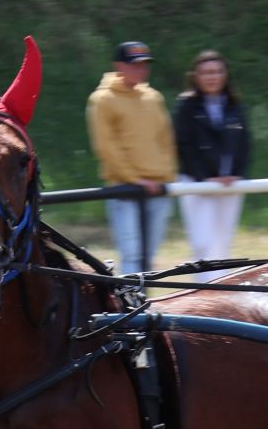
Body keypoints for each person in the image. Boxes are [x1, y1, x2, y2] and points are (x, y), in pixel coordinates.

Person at [87, 41, 176, 275]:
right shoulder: (102, 100)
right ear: (119, 66)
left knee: (150, 255)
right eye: (135, 65)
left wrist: (167, 174)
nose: (141, 70)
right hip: (124, 188)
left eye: (145, 65)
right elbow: (106, 146)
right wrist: (134, 179)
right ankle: (132, 307)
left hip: (158, 185)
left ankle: (145, 303)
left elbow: (166, 138)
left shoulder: (153, 97)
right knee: (132, 254)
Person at [171, 50, 251, 273]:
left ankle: (221, 293)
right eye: (206, 72)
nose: (212, 77)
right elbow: (183, 145)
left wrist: (238, 173)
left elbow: (244, 143)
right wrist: (205, 177)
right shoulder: (186, 106)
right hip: (197, 183)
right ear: (196, 76)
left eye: (217, 71)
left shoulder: (234, 105)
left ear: (225, 75)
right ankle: (204, 294)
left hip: (230, 184)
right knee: (203, 243)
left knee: (222, 243)